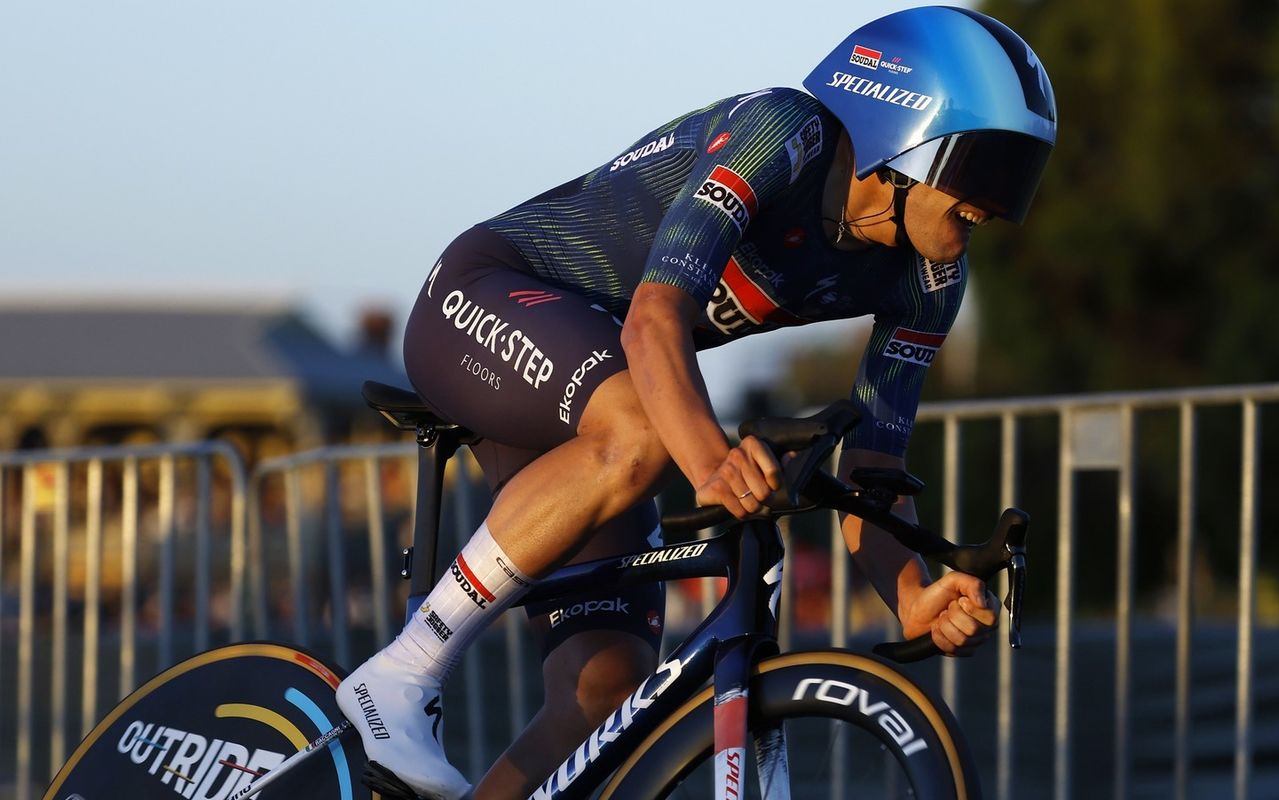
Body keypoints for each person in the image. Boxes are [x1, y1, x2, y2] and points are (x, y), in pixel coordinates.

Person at [336, 6, 1057, 799]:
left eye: (1018, 173)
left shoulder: (931, 281)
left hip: (594, 382)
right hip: (485, 294)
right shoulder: (784, 133)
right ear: (903, 134)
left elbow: (875, 463)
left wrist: (910, 592)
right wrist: (712, 461)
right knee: (646, 435)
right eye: (984, 165)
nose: (996, 203)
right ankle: (404, 670)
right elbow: (655, 320)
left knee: (607, 687)